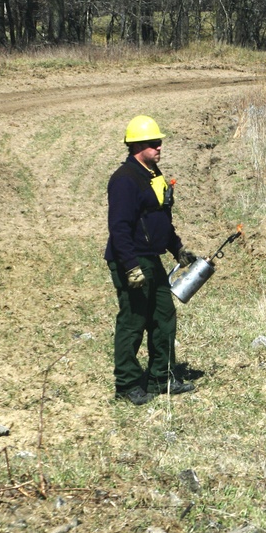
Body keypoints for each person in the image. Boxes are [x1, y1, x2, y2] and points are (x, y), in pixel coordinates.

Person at [105, 115, 198, 405]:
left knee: (163, 316)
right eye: (154, 143)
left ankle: (161, 377)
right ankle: (127, 384)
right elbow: (118, 227)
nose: (159, 147)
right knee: (133, 321)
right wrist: (130, 266)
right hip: (130, 260)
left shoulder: (152, 173)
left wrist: (177, 248)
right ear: (137, 145)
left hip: (152, 259)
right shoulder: (124, 180)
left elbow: (160, 219)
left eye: (159, 142)